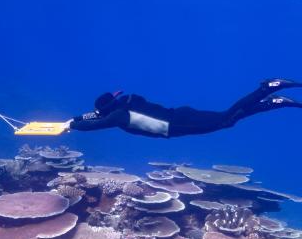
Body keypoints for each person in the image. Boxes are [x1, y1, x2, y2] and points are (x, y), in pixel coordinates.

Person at [65, 79, 302, 138]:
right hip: (180, 115)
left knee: (227, 118)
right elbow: (95, 115)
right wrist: (73, 119)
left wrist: (74, 126)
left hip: (176, 125)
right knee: (227, 120)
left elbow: (96, 124)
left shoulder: (117, 116)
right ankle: (275, 102)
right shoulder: (125, 103)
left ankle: (267, 89)